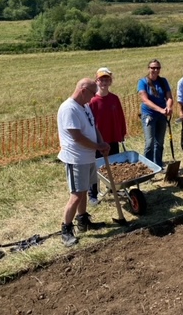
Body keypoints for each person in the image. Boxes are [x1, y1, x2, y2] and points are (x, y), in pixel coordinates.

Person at [57, 78, 110, 247]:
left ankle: (83, 220)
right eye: (92, 93)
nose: (94, 97)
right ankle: (66, 230)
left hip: (88, 157)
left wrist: (102, 143)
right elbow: (77, 137)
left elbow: (94, 128)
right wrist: (97, 146)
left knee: (84, 190)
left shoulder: (85, 107)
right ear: (83, 90)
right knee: (76, 194)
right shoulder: (68, 109)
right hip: (76, 158)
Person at [87, 67, 127, 205]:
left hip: (113, 138)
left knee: (114, 165)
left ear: (110, 81)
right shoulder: (92, 101)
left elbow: (120, 117)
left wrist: (122, 132)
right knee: (95, 167)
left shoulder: (114, 99)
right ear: (96, 81)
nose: (104, 82)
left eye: (106, 79)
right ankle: (92, 194)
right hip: (98, 141)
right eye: (101, 79)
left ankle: (112, 188)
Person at [138, 59, 173, 167]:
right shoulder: (142, 82)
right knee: (150, 142)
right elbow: (145, 100)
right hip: (149, 115)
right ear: (149, 69)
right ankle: (148, 167)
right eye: (153, 68)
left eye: (157, 68)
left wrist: (168, 107)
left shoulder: (163, 81)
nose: (155, 70)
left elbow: (169, 97)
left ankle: (158, 164)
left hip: (161, 116)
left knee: (159, 142)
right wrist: (160, 109)